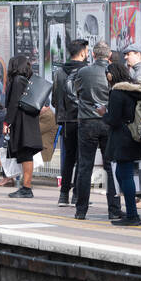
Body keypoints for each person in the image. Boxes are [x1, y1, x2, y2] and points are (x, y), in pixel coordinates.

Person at [72, 41, 121, 219]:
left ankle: (81, 210)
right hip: (108, 121)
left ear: (93, 55)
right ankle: (114, 210)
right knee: (111, 166)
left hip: (86, 121)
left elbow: (74, 92)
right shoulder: (114, 72)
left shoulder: (83, 72)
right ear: (109, 56)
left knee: (85, 166)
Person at [102, 58, 141, 226]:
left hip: (123, 138)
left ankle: (133, 215)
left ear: (111, 75)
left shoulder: (117, 92)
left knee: (125, 175)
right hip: (136, 136)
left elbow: (114, 119)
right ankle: (131, 212)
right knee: (121, 174)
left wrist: (103, 113)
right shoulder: (137, 90)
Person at [52, 39, 90, 207]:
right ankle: (77, 195)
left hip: (66, 120)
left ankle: (63, 195)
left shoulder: (60, 72)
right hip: (83, 118)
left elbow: (54, 98)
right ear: (82, 52)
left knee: (68, 158)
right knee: (82, 159)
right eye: (87, 50)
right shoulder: (87, 71)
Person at [3, 55, 43, 199]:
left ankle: (26, 187)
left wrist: (7, 122)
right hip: (28, 121)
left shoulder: (18, 81)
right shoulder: (26, 80)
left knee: (25, 154)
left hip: (22, 122)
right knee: (25, 154)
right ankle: (25, 186)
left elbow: (13, 104)